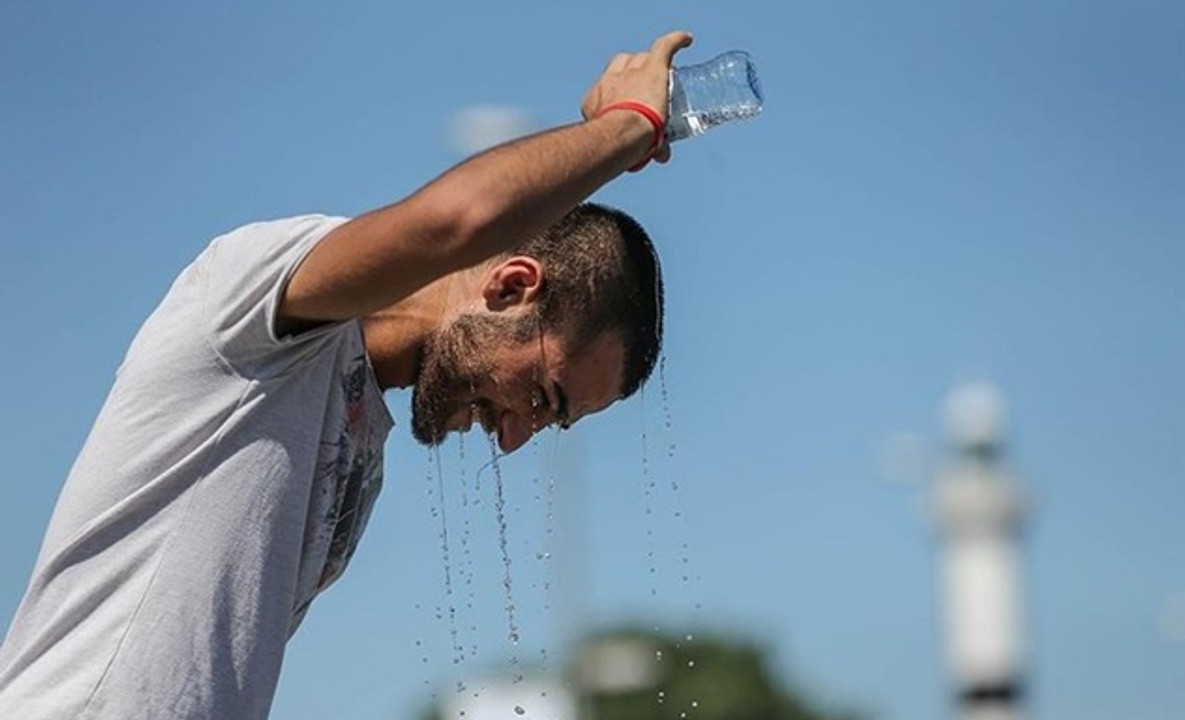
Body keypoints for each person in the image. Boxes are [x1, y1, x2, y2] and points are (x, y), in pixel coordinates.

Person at [0, 30, 694, 719]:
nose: (514, 439)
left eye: (550, 423)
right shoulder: (259, 305)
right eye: (542, 396)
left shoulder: (362, 451)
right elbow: (458, 221)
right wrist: (629, 128)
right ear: (510, 287)